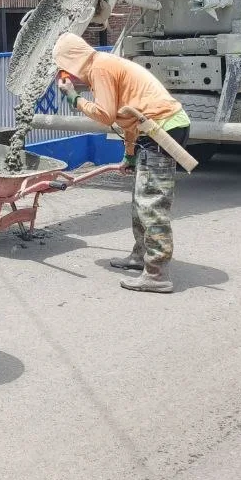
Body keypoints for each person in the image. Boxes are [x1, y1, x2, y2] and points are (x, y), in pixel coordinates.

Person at [53, 32, 191, 294]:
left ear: (72, 60)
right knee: (141, 200)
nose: (65, 74)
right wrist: (129, 154)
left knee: (151, 203)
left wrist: (74, 98)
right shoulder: (103, 65)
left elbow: (106, 116)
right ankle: (141, 256)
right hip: (154, 127)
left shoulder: (100, 68)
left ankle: (157, 274)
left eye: (63, 66)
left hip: (162, 129)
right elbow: (128, 116)